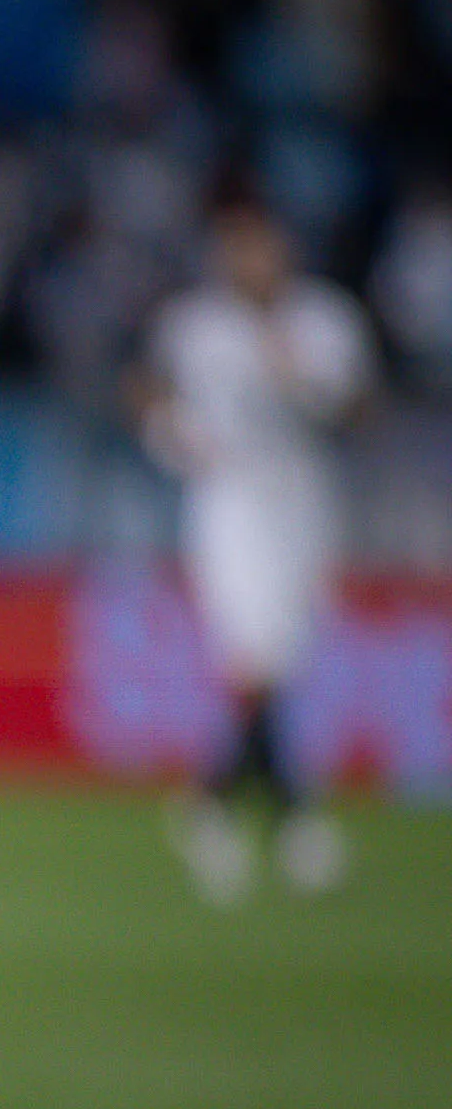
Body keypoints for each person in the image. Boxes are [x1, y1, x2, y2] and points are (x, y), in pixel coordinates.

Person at [138, 198, 372, 901]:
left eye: (264, 248)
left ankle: (221, 804)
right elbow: (147, 391)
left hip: (303, 500)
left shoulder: (323, 321)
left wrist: (298, 374)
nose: (254, 263)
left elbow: (359, 409)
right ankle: (286, 817)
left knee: (283, 659)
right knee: (253, 657)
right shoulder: (194, 326)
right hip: (231, 502)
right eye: (240, 250)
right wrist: (172, 435)